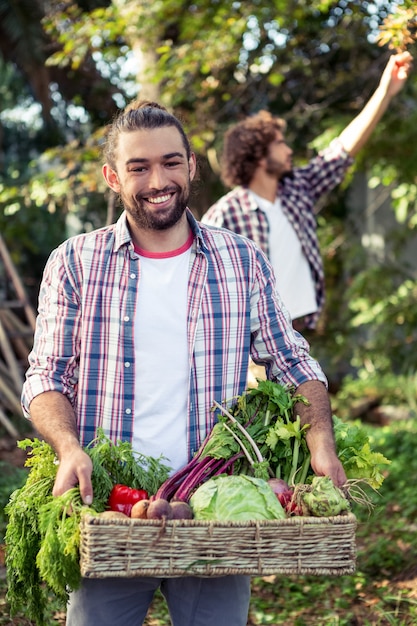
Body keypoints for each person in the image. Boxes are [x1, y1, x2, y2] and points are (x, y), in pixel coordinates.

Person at [22, 100, 347, 626]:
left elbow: (293, 363)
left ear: (192, 167)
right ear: (112, 176)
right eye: (139, 166)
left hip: (214, 509)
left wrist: (321, 446)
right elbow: (46, 375)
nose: (159, 179)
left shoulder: (240, 260)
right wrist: (67, 448)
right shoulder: (75, 262)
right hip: (110, 505)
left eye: (172, 162)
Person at [201, 51, 413, 331]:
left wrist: (385, 92)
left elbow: (341, 151)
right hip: (254, 341)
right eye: (280, 143)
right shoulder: (225, 215)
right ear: (259, 156)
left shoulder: (295, 191)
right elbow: (204, 288)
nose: (289, 149)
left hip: (299, 330)